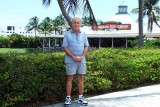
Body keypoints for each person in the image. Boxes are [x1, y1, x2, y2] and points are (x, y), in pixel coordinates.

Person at [62, 17, 89, 106]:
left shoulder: (84, 33)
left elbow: (86, 46)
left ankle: (80, 97)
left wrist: (82, 56)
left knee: (80, 78)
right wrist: (73, 57)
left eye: (78, 23)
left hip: (81, 60)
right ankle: (68, 98)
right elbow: (64, 47)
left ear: (80, 24)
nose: (76, 24)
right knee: (70, 79)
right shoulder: (67, 34)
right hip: (70, 60)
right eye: (74, 23)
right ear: (71, 24)